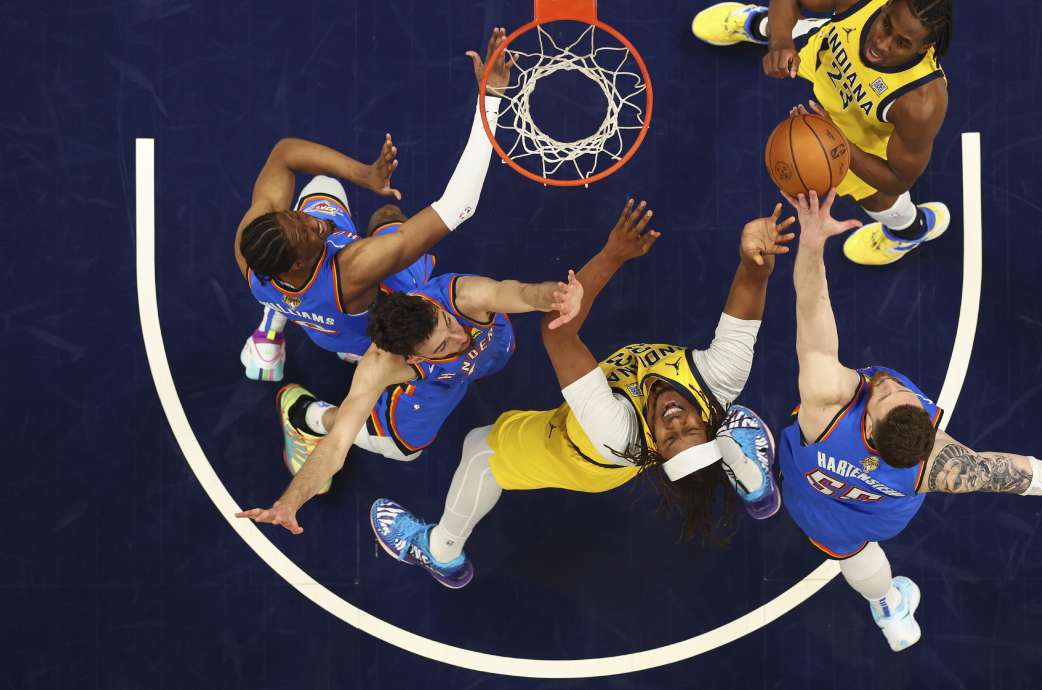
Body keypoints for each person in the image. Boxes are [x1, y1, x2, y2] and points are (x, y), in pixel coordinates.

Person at [778, 189, 1042, 651]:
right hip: (879, 507)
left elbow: (811, 308)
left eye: (890, 393)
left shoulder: (827, 405)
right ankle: (889, 607)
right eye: (895, 392)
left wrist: (811, 243)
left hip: (809, 486)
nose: (888, 384)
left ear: (871, 427)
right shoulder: (941, 467)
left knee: (844, 547)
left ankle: (762, 484)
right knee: (861, 554)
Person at [366, 199, 793, 588]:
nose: (676, 422)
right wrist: (754, 261)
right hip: (668, 419)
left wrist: (612, 255)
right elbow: (750, 291)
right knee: (730, 415)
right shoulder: (720, 380)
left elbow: (559, 332)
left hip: (575, 448)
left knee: (480, 449)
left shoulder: (613, 431)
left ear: (657, 448)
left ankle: (442, 552)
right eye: (691, 430)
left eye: (668, 439)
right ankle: (754, 483)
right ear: (707, 418)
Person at [234, 27, 512, 381]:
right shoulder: (354, 270)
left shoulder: (251, 250)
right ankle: (343, 357)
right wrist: (489, 98)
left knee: (323, 186)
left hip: (320, 328)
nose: (312, 220)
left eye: (295, 216)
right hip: (359, 335)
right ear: (300, 260)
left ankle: (272, 322)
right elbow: (458, 206)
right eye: (306, 230)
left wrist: (364, 174)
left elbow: (285, 154)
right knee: (388, 217)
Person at [236, 264, 585, 513]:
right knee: (402, 448)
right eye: (442, 346)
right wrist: (290, 501)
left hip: (491, 351)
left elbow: (520, 292)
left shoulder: (463, 297)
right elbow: (337, 446)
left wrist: (556, 296)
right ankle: (304, 415)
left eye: (447, 325)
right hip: (436, 383)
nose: (459, 337)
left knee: (393, 230)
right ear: (409, 356)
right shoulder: (384, 365)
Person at [692, 0, 953, 266]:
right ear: (887, 5)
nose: (882, 44)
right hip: (822, 54)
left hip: (856, 129)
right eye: (886, 25)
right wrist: (780, 44)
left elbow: (897, 179)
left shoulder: (920, 103)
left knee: (874, 195)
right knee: (785, 30)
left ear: (924, 46)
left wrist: (838, 144)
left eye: (902, 43)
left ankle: (910, 230)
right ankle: (758, 24)